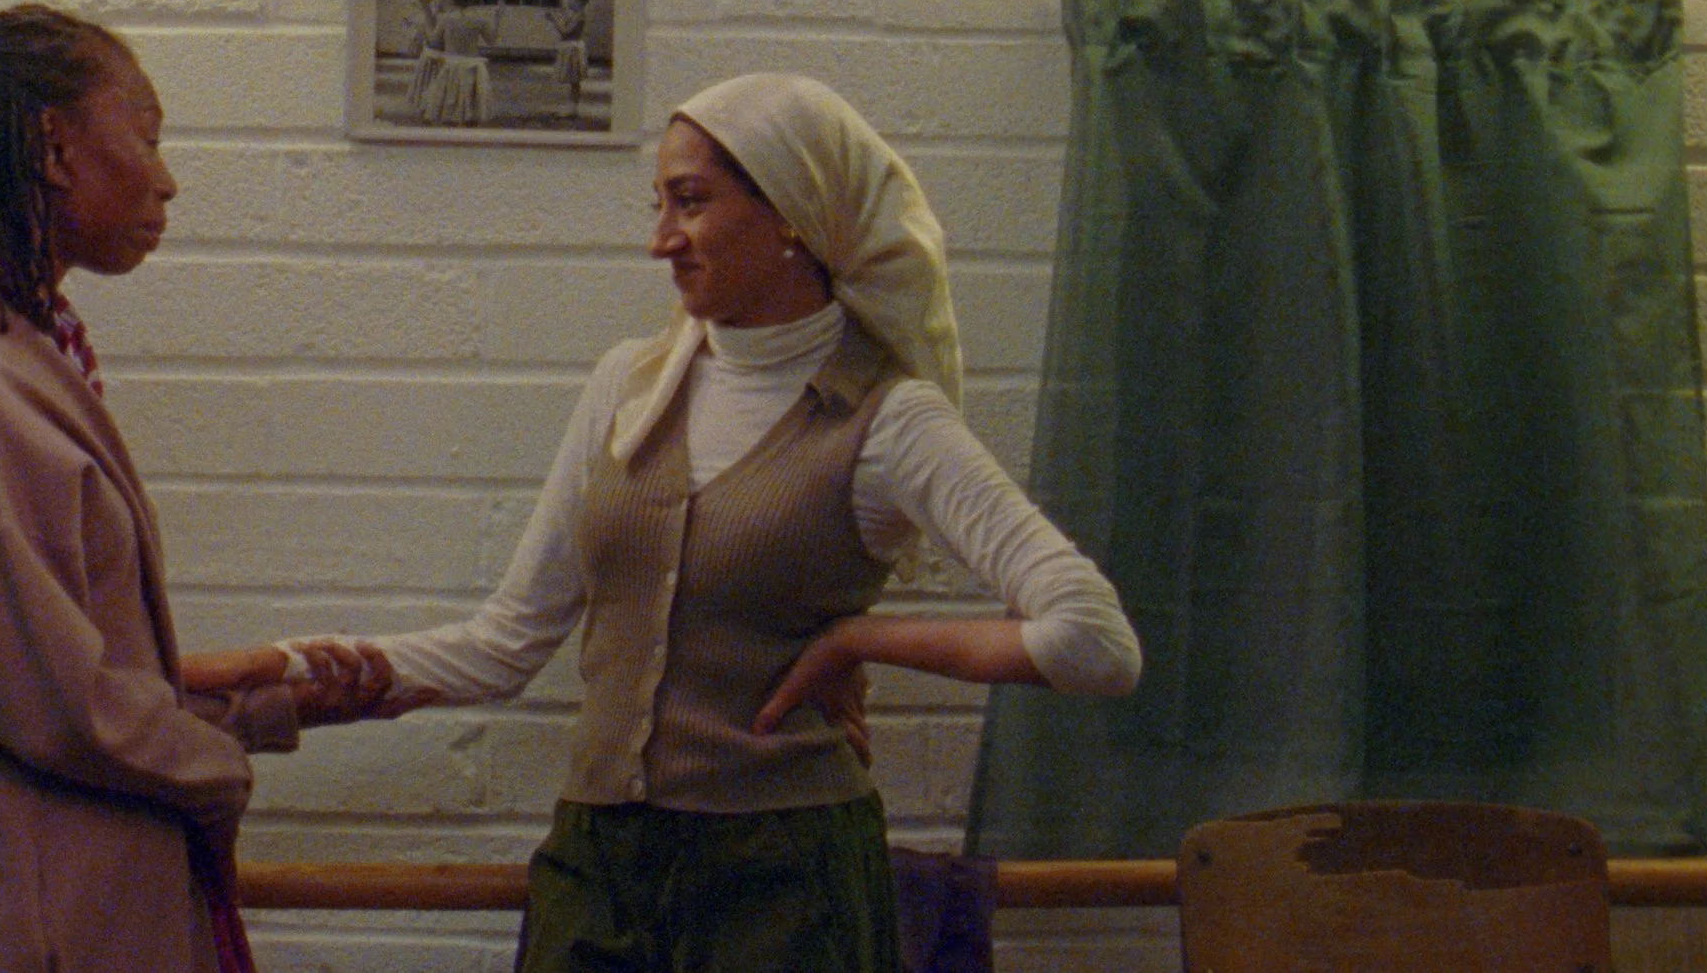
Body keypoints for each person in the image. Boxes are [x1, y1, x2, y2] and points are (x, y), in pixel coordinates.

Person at [280, 73, 1142, 973]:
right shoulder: (629, 386)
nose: (661, 239)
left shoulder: (889, 419)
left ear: (793, 214)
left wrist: (860, 639)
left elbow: (1095, 640)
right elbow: (506, 643)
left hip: (787, 883)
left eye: (690, 203)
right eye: (658, 205)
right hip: (600, 867)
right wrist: (277, 671)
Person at [0, 4, 389, 973]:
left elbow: (40, 658)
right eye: (148, 138)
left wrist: (270, 699)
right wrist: (221, 761)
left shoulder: (1, 342)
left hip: (39, 909)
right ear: (54, 147)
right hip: (19, 926)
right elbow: (51, 705)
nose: (166, 179)